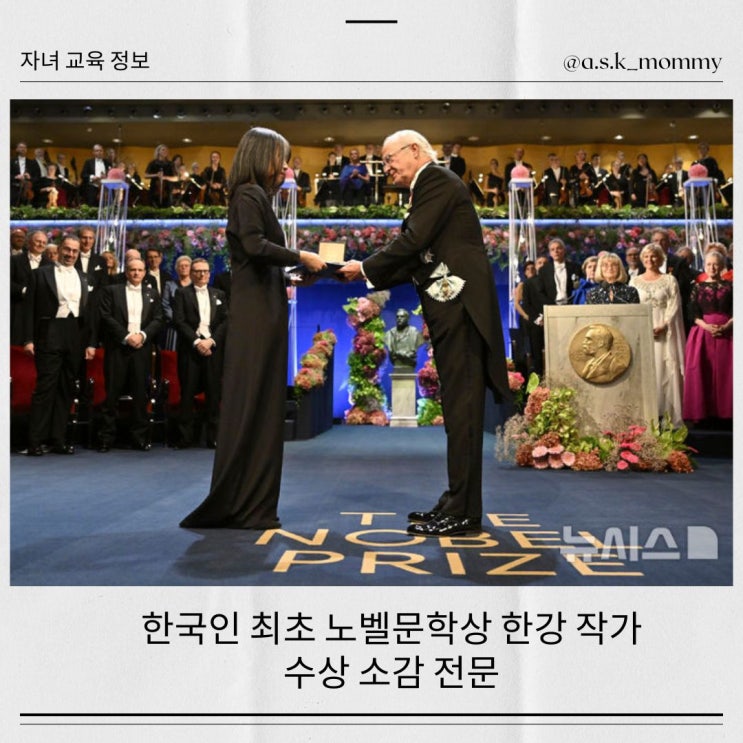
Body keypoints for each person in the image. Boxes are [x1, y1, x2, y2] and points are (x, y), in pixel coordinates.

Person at [338, 129, 510, 538]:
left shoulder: (435, 180)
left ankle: (465, 512)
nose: (385, 167)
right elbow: (418, 258)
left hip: (461, 312)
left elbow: (413, 241)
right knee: (457, 411)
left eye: (389, 158)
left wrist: (364, 268)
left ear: (415, 150)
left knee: (463, 413)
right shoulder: (431, 187)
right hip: (451, 311)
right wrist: (365, 275)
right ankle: (456, 500)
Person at [180, 126, 325, 530]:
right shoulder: (248, 194)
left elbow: (257, 261)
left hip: (264, 311)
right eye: (281, 159)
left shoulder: (254, 197)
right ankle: (243, 503)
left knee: (262, 408)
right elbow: (254, 246)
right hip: (255, 318)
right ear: (262, 157)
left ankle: (251, 505)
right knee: (253, 407)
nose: (285, 168)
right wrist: (301, 255)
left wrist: (292, 276)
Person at [21, 235, 96, 455]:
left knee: (66, 388)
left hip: (75, 335)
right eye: (67, 249)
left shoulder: (84, 277)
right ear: (59, 249)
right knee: (45, 388)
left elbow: (89, 314)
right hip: (49, 333)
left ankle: (58, 439)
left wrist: (90, 342)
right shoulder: (40, 274)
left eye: (74, 251)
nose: (70, 254)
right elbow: (28, 309)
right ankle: (35, 441)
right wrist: (28, 339)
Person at [95, 258, 163, 452]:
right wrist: (126, 337)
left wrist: (142, 335)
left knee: (140, 394)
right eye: (133, 270)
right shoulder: (112, 291)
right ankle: (106, 438)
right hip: (117, 348)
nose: (136, 273)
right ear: (126, 272)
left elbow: (159, 318)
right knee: (111, 394)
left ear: (144, 273)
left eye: (140, 270)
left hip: (141, 348)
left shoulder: (152, 293)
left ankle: (139, 437)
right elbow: (105, 316)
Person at [172, 258, 228, 449]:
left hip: (213, 350)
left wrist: (211, 341)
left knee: (214, 394)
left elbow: (225, 321)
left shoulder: (219, 294)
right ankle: (185, 437)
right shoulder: (181, 293)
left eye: (205, 271)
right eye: (197, 271)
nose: (202, 274)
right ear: (191, 273)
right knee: (187, 393)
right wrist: (197, 342)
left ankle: (214, 437)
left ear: (209, 274)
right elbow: (179, 321)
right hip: (190, 350)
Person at [630, 243, 685, 425]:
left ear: (661, 259)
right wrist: (643, 328)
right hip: (642, 330)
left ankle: (667, 415)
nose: (649, 259)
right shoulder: (634, 281)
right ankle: (646, 416)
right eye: (646, 256)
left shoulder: (669, 280)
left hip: (665, 331)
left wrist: (664, 325)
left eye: (653, 256)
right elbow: (632, 307)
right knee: (646, 369)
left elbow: (674, 304)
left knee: (665, 368)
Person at [683, 250, 733, 423]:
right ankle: (702, 413)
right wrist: (706, 327)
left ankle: (727, 413)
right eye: (709, 264)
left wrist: (726, 326)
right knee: (702, 372)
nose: (712, 267)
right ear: (704, 266)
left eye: (716, 264)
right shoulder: (697, 287)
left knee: (727, 373)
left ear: (722, 266)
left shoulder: (732, 286)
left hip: (728, 335)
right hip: (702, 335)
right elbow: (693, 313)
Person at [10, 230, 52, 345]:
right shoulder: (14, 260)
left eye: (44, 242)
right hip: (18, 310)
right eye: (38, 241)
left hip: (40, 313)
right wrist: (24, 291)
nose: (41, 244)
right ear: (29, 242)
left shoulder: (50, 264)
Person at [162, 255, 192, 351]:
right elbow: (165, 305)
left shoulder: (195, 286)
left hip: (192, 326)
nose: (183, 268)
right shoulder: (169, 285)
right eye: (181, 266)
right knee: (172, 355)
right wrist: (177, 320)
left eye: (186, 265)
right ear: (176, 269)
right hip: (174, 325)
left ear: (191, 268)